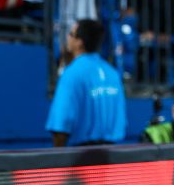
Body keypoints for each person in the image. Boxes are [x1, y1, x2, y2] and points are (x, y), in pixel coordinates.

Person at [46, 18, 127, 146]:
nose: (68, 37)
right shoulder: (113, 73)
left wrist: (59, 163)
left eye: (71, 34)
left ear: (79, 42)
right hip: (112, 156)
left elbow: (60, 126)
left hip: (81, 158)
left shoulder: (72, 73)